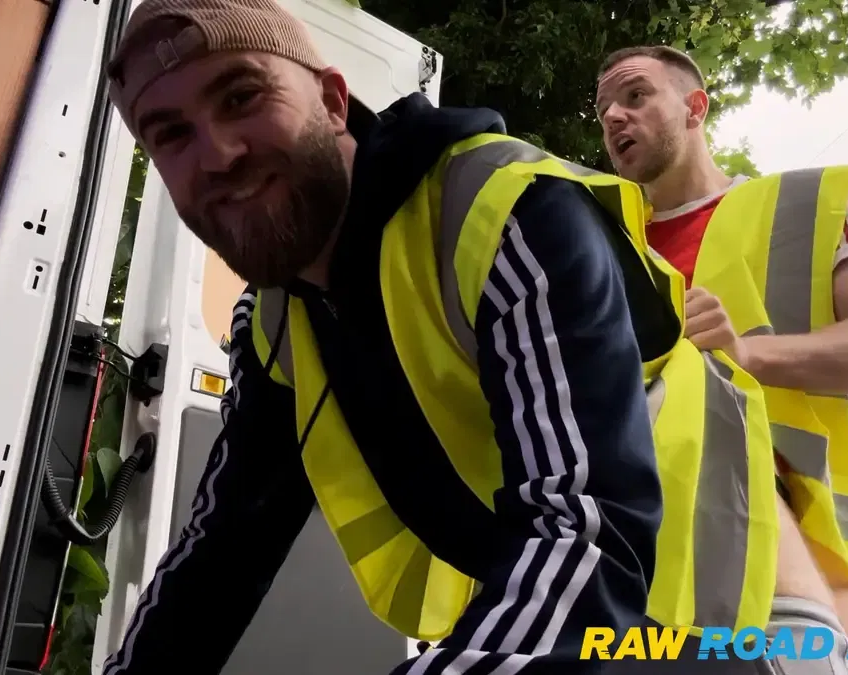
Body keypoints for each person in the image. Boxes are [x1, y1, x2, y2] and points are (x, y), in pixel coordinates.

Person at [100, 1, 782, 673]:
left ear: (333, 101)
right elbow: (220, 554)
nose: (218, 154)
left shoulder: (504, 208)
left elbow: (585, 534)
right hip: (570, 616)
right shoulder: (277, 321)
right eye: (171, 134)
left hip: (709, 614)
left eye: (242, 96)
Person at [595, 45, 848, 675]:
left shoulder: (811, 206)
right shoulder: (601, 242)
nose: (613, 116)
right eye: (604, 108)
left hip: (794, 543)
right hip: (628, 545)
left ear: (695, 107)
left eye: (635, 95)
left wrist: (746, 353)